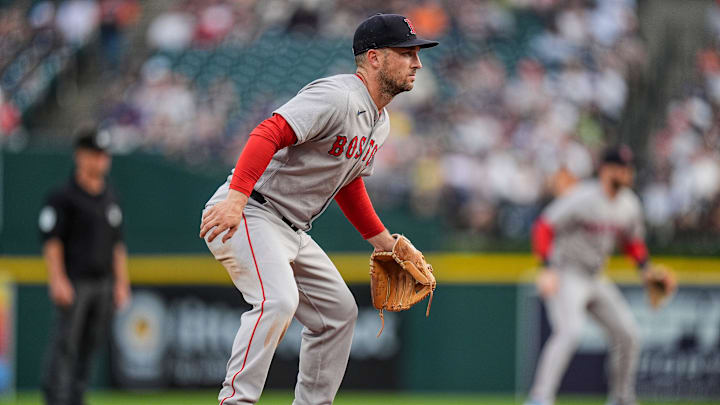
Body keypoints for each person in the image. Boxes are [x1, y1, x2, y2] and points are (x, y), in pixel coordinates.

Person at [199, 13, 438, 405]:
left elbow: (347, 180)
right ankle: (236, 401)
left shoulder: (380, 122)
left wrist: (382, 241)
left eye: (416, 53)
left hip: (291, 229)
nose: (417, 62)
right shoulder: (338, 95)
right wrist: (236, 199)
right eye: (407, 52)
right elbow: (269, 131)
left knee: (339, 314)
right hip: (252, 210)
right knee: (278, 300)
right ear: (374, 58)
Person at [526, 146, 656, 405]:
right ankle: (540, 398)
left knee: (628, 334)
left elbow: (632, 242)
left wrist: (645, 268)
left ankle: (621, 398)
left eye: (628, 168)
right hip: (567, 272)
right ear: (606, 170)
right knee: (570, 331)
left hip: (596, 276)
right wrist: (547, 268)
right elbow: (543, 227)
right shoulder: (582, 197)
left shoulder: (629, 203)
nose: (626, 173)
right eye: (621, 168)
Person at [38, 129, 131, 405]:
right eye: (96, 154)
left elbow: (117, 245)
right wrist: (57, 279)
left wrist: (121, 283)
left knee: (89, 346)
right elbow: (52, 242)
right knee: (66, 345)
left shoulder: (110, 197)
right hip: (76, 281)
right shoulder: (63, 197)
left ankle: (77, 398)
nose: (102, 160)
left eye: (105, 155)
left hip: (103, 284)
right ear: (81, 156)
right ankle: (56, 398)